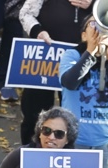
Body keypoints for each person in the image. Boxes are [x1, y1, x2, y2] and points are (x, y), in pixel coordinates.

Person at [57, 16, 108, 168]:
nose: (99, 27)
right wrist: (91, 51)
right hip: (75, 138)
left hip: (107, 141)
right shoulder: (71, 55)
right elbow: (70, 82)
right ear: (84, 35)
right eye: (93, 23)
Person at [14, 0, 88, 145]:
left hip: (80, 60)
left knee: (73, 119)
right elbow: (26, 13)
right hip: (44, 57)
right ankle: (30, 157)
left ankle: (68, 161)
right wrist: (37, 31)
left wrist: (94, 5)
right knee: (34, 114)